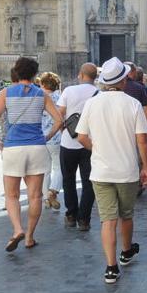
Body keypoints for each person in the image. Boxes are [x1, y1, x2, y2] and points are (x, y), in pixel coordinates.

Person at [75, 57, 147, 284]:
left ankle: (111, 267)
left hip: (100, 170)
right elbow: (142, 140)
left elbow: (81, 137)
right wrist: (146, 166)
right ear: (124, 80)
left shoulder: (92, 102)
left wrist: (95, 148)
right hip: (126, 170)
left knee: (107, 219)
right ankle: (126, 251)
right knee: (126, 215)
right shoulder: (132, 104)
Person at [0, 57, 62, 252]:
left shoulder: (5, 93)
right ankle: (29, 236)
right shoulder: (41, 94)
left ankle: (17, 230)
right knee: (35, 196)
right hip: (37, 147)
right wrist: (47, 136)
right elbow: (59, 120)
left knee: (11, 195)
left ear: (17, 72)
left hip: (13, 148)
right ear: (34, 74)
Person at [56, 63, 99, 231]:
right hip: (89, 143)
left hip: (68, 142)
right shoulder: (99, 94)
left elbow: (60, 115)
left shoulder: (69, 91)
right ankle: (84, 219)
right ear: (95, 77)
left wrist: (62, 130)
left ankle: (71, 214)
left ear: (81, 74)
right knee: (89, 182)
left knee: (68, 180)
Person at [38, 72, 64, 211]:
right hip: (56, 138)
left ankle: (46, 198)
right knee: (58, 167)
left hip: (41, 138)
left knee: (45, 170)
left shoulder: (39, 98)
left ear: (42, 84)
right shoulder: (60, 98)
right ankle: (52, 191)